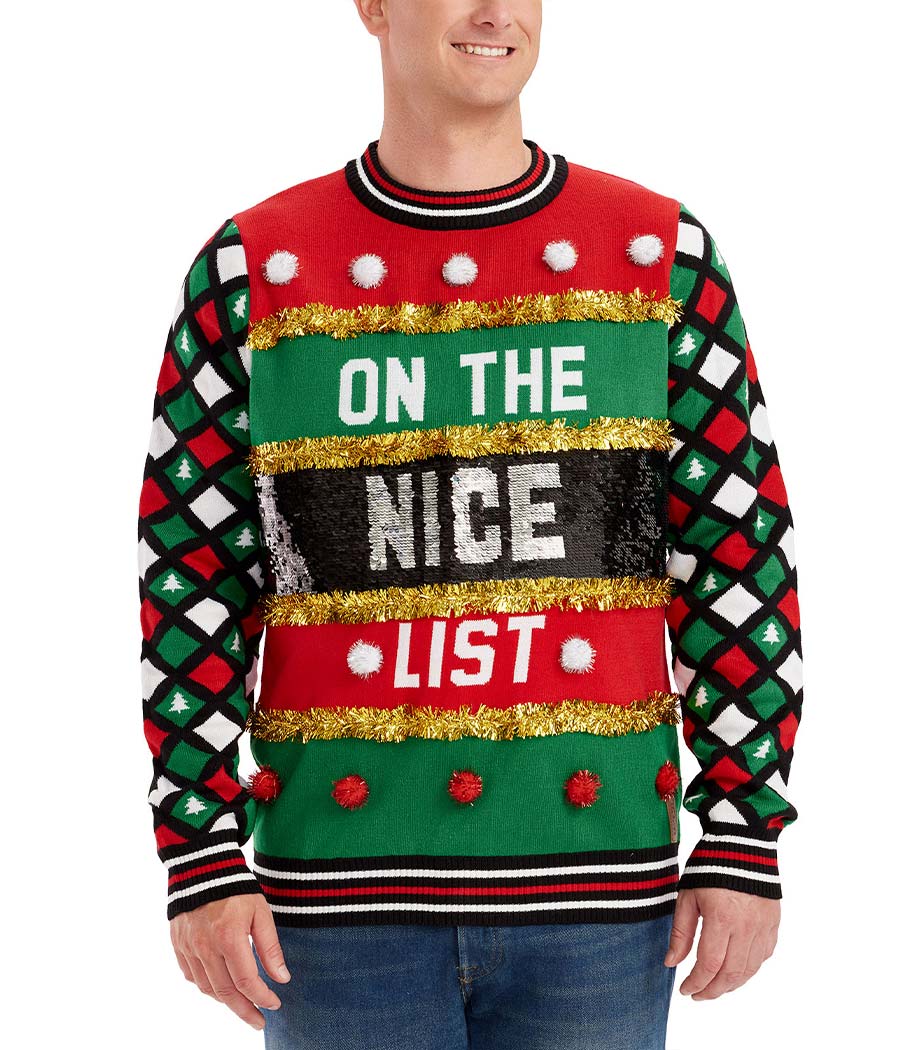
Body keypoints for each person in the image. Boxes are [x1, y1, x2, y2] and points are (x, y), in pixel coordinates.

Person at [136, 1, 803, 1046]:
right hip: (331, 907)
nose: (496, 11)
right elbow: (190, 569)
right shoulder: (255, 269)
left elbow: (738, 556)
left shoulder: (658, 257)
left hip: (603, 897)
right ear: (373, 6)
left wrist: (743, 834)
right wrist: (200, 855)